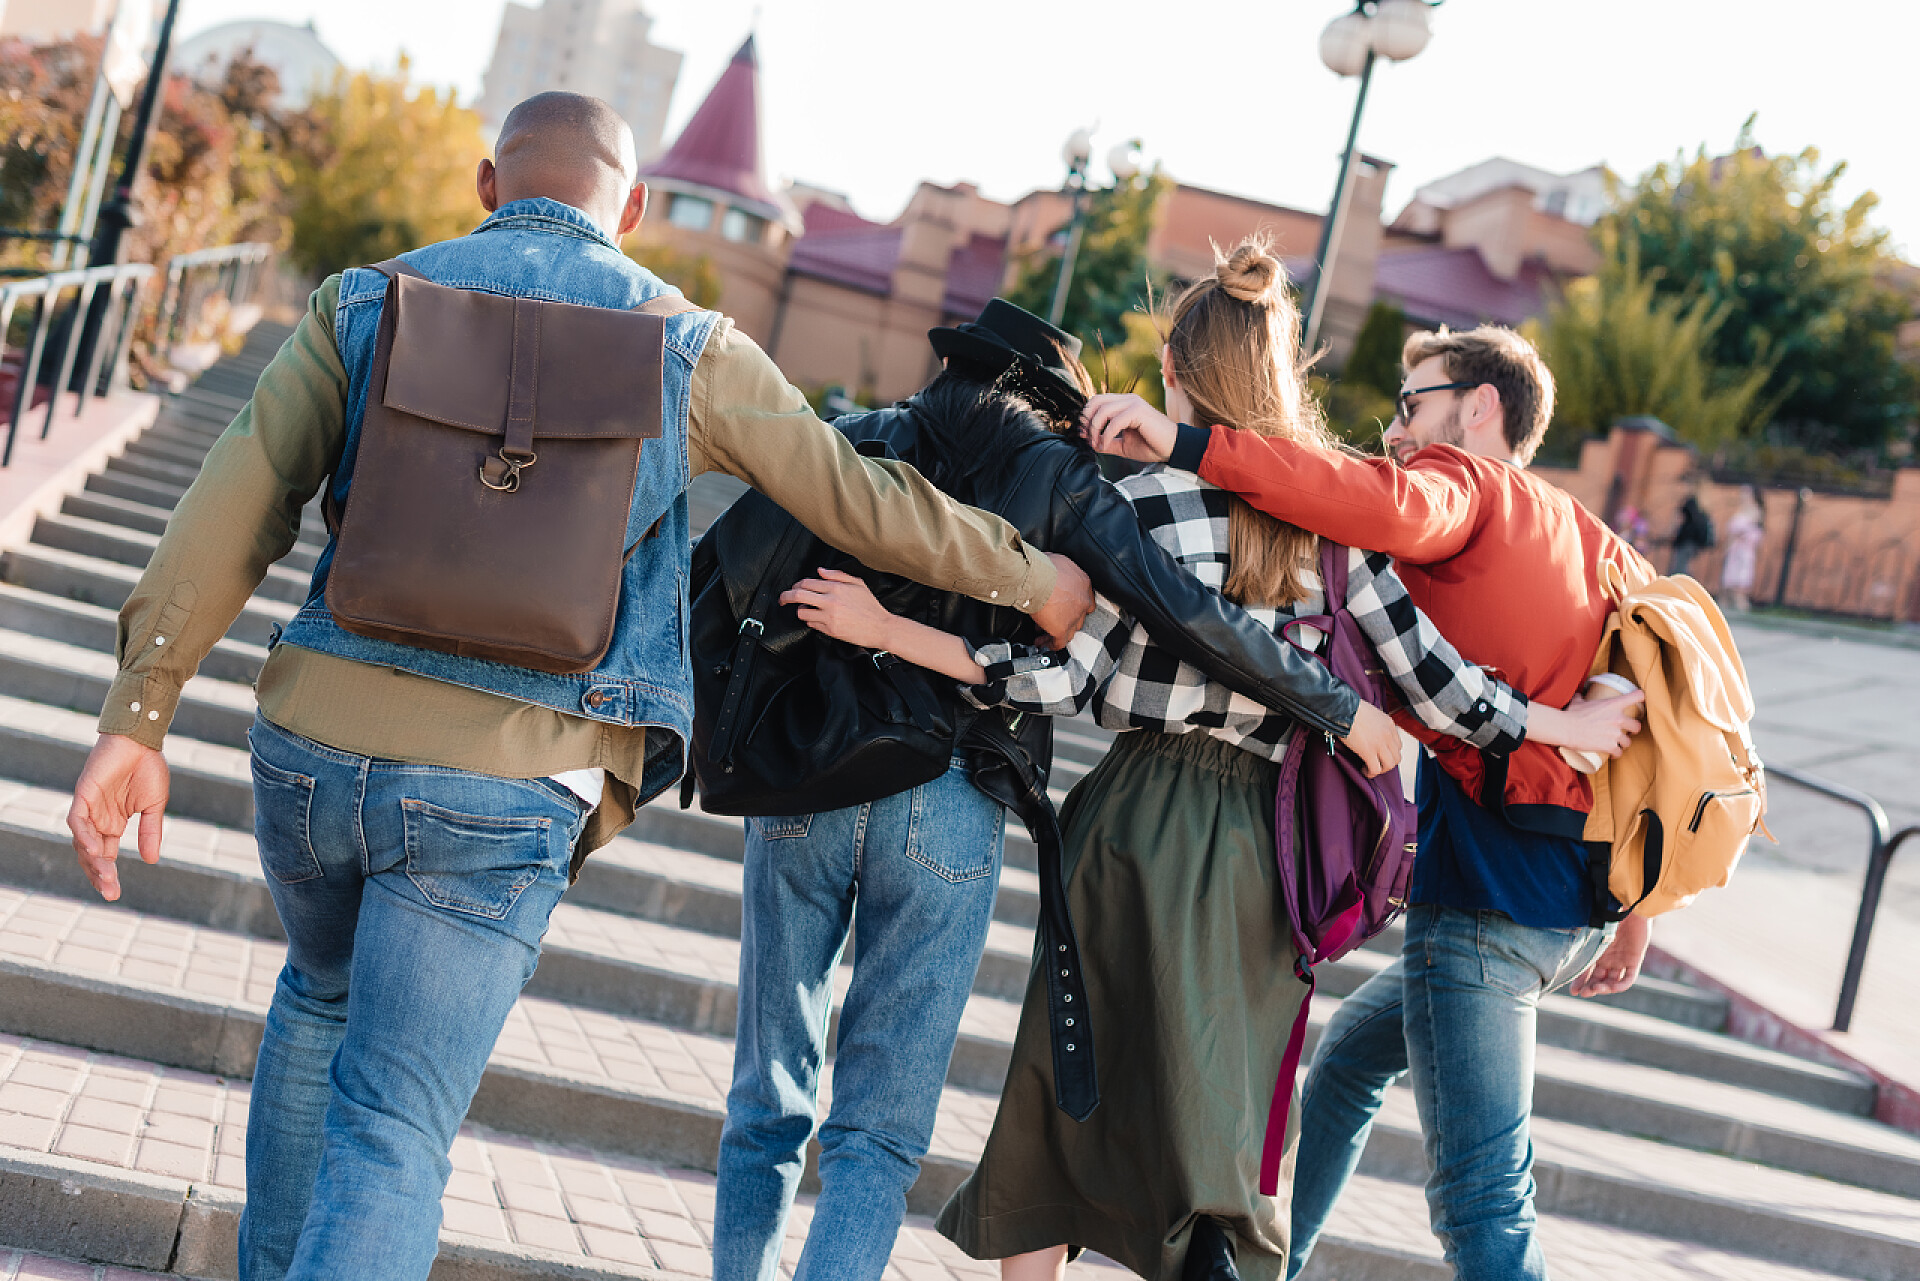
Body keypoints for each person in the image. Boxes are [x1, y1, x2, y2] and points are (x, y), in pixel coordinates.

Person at [62, 93, 1103, 1281]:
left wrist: (138, 715)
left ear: (486, 184)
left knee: (315, 1004)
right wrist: (1033, 577)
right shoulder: (692, 347)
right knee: (393, 1124)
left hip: (315, 748)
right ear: (637, 206)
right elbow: (859, 498)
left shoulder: (362, 301)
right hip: (510, 781)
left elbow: (232, 499)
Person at [799, 244, 1640, 1281]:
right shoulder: (1336, 541)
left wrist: (892, 629)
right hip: (1271, 852)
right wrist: (1561, 727)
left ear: (1179, 373)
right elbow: (1445, 689)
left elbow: (1062, 678)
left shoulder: (1143, 504)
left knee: (1065, 1103)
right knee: (1222, 1137)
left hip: (1136, 824)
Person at [705, 298, 1412, 1281]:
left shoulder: (851, 441)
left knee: (766, 1098)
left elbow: (727, 575)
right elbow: (1177, 617)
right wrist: (1342, 711)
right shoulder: (1069, 480)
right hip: (955, 788)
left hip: (804, 781)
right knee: (879, 1130)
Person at [1081, 322, 1654, 1281]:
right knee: (1349, 1059)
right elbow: (1662, 724)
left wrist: (1183, 439)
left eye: (1410, 403)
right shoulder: (1593, 541)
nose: (1393, 431)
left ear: (1480, 407)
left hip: (1491, 903)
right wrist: (1641, 907)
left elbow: (1360, 498)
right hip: (1576, 907)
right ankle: (1279, 1265)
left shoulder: (1462, 483)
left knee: (1483, 1201)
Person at [1721, 485, 1766, 611]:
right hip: (1733, 552)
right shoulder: (1741, 511)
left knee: (1739, 589)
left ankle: (1743, 609)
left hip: (1743, 553)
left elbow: (1753, 534)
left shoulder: (1755, 512)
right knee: (1727, 588)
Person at [1668, 482, 1716, 578]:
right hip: (1695, 542)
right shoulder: (1703, 503)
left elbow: (1680, 519)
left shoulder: (1690, 503)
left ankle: (1678, 583)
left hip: (1685, 540)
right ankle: (1686, 582)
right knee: (1685, 565)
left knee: (1680, 565)